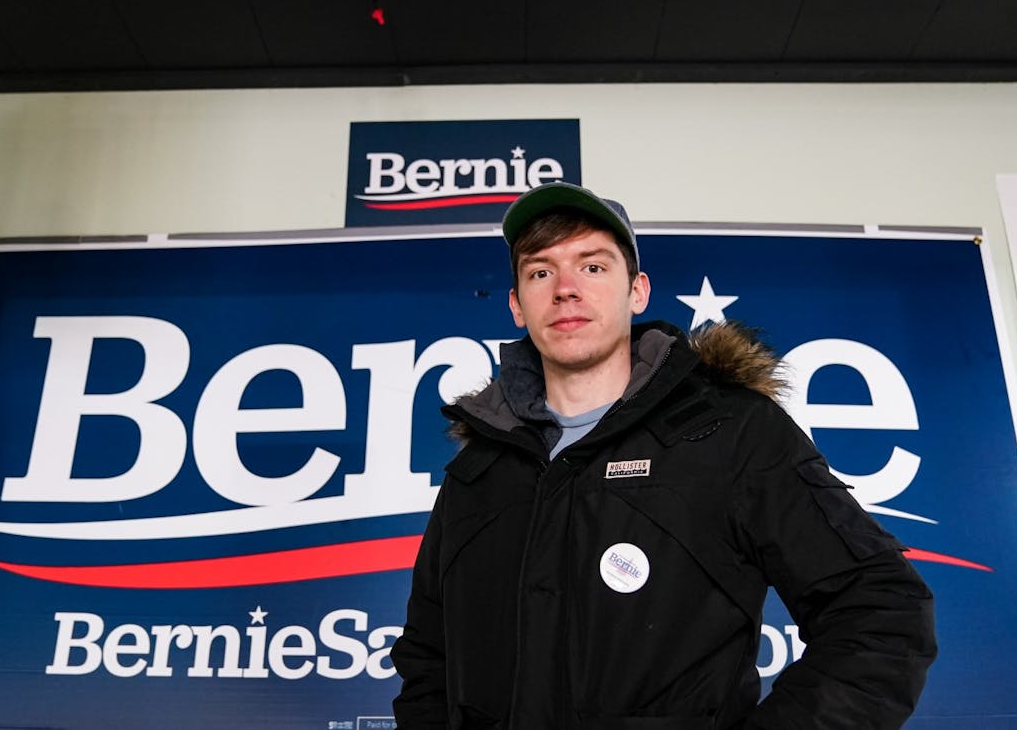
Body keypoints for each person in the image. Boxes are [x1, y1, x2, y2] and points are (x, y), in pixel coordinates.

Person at [392, 182, 937, 729]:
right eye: (540, 272)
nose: (565, 289)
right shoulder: (478, 469)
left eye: (594, 267)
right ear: (516, 304)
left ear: (637, 291)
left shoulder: (729, 432)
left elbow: (882, 613)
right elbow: (427, 662)